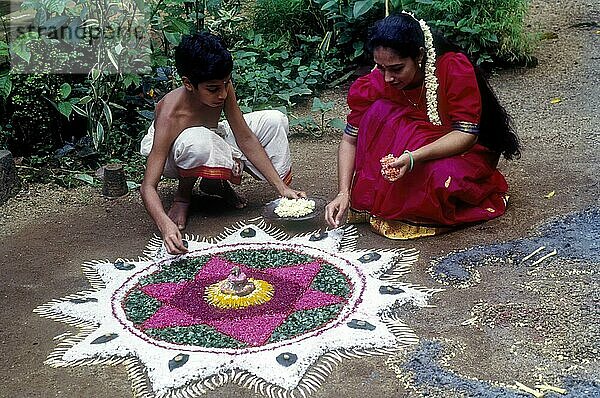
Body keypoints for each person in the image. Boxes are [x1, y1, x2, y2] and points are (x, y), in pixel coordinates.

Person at [325, 13, 520, 239]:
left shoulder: (451, 68)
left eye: (397, 69)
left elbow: (466, 134)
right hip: (407, 158)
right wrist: (343, 193)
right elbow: (349, 140)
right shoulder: (378, 81)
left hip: (459, 153)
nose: (387, 78)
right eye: (380, 67)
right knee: (378, 111)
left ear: (419, 55)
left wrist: (412, 157)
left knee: (437, 182)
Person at [140, 31, 305, 254]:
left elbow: (244, 137)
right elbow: (148, 186)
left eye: (226, 84)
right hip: (175, 153)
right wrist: (164, 225)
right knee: (195, 142)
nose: (223, 94)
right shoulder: (170, 114)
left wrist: (281, 187)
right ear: (188, 84)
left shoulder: (222, 87)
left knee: (275, 120)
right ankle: (183, 196)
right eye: (213, 89)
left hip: (212, 135)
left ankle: (213, 181)